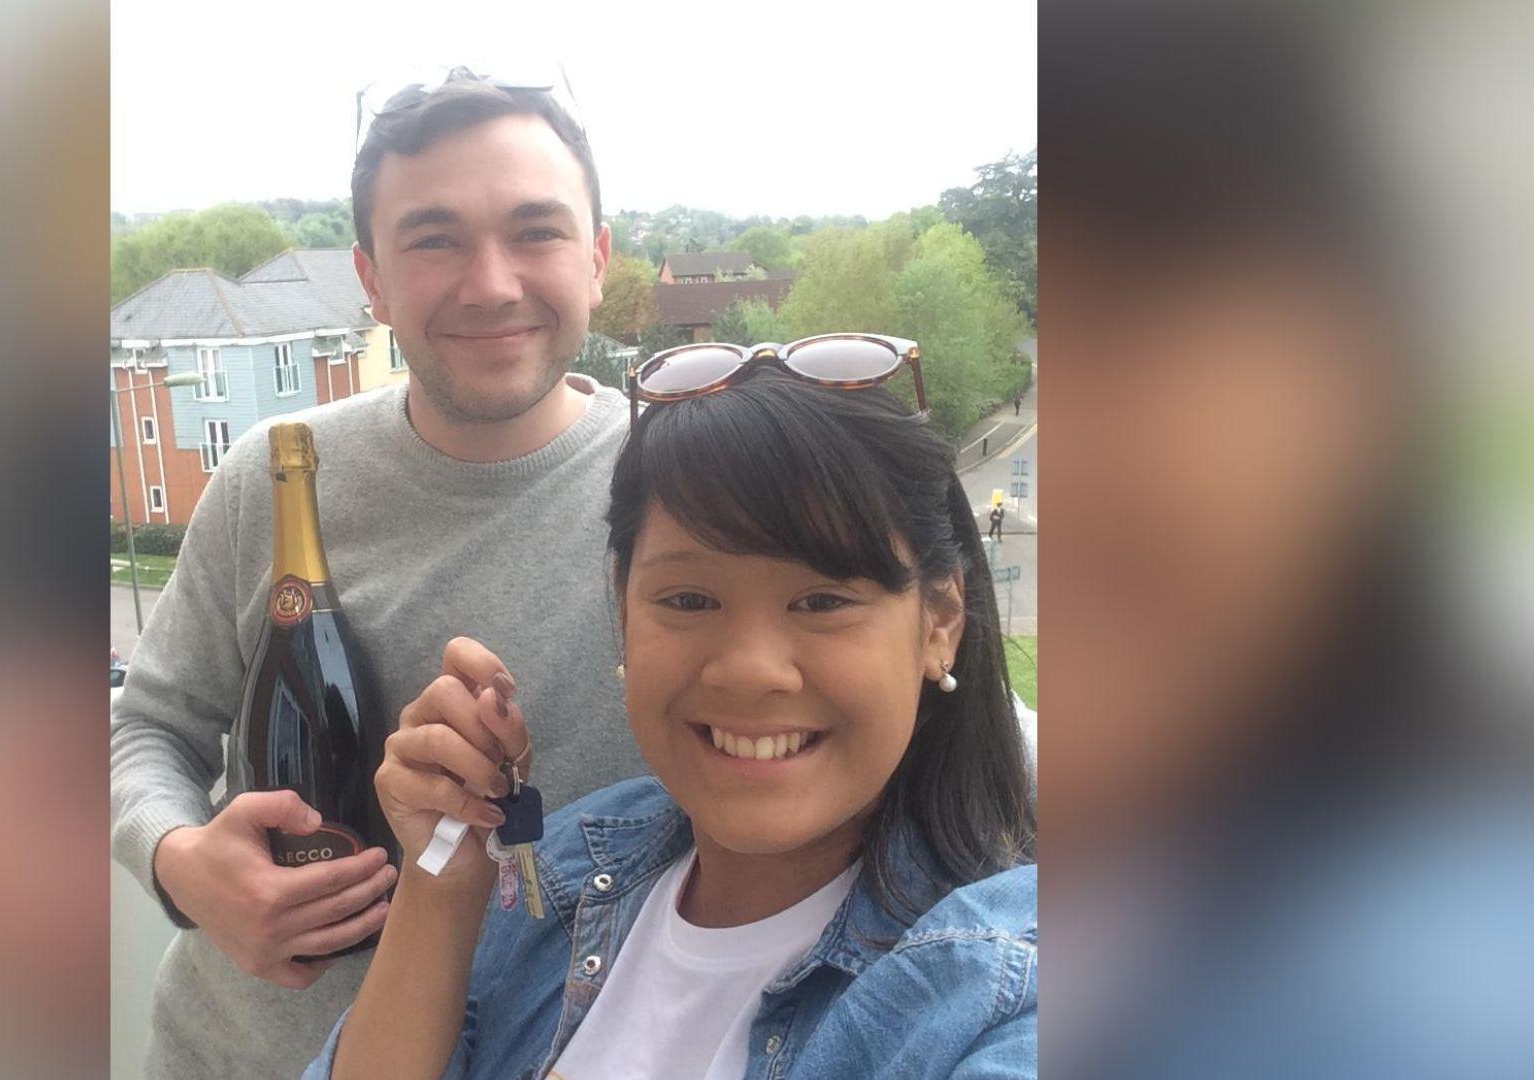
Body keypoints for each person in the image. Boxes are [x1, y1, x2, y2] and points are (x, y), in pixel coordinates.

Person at [111, 71, 649, 1078]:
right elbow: (147, 728)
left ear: (599, 258)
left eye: (536, 230)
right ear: (371, 277)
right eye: (434, 238)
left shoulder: (692, 488)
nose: (491, 283)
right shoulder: (272, 476)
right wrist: (183, 866)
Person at [309, 346, 1038, 1079]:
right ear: (622, 609)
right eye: (689, 600)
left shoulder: (1009, 989)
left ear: (940, 618)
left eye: (822, 601)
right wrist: (441, 886)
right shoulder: (560, 873)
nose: (750, 672)